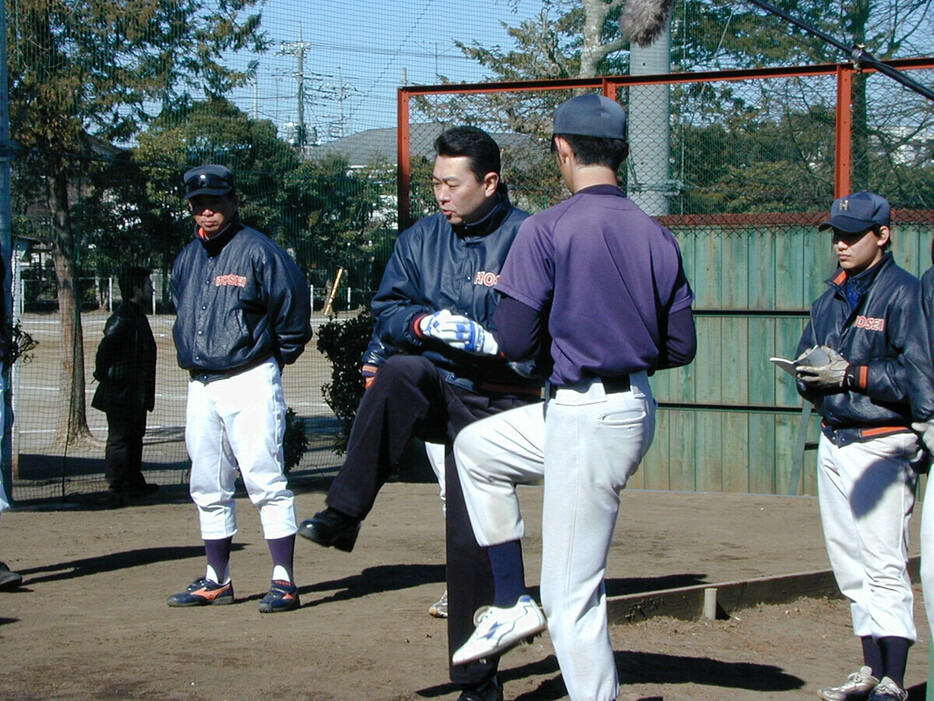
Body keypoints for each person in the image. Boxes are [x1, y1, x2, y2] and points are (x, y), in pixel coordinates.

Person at [450, 94, 697, 701]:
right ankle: (510, 601)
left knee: (570, 595)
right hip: (624, 408)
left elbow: (511, 339)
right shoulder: (655, 235)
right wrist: (619, 337)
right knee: (478, 448)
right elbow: (681, 346)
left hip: (586, 417)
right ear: (623, 153)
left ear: (563, 149)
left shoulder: (547, 226)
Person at [296, 126, 541, 701]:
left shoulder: (530, 237)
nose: (441, 195)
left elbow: (543, 330)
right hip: (436, 386)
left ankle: (478, 682)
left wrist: (499, 344)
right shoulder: (420, 238)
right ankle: (344, 512)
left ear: (489, 182)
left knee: (469, 541)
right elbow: (387, 310)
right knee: (400, 371)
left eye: (452, 184)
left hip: (498, 403)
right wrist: (420, 324)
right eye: (435, 183)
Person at [791, 192, 926, 701]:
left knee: (884, 561)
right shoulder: (831, 297)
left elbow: (918, 376)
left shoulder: (905, 293)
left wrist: (854, 374)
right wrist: (808, 375)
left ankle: (894, 678)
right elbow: (811, 356)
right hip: (835, 437)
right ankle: (870, 669)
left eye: (852, 234)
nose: (841, 244)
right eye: (836, 234)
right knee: (849, 561)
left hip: (882, 441)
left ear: (883, 235)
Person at [167, 164, 312, 614]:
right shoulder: (188, 256)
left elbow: (293, 318)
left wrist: (269, 361)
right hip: (202, 383)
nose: (207, 211)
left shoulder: (259, 251)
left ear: (234, 202)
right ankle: (217, 579)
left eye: (216, 202)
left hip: (250, 377)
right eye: (198, 204)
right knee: (207, 482)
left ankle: (284, 581)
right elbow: (181, 307)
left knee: (265, 478)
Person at [360, 331, 450, 618]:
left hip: (488, 386)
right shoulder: (430, 284)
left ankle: (505, 587)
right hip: (441, 385)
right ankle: (463, 584)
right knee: (453, 493)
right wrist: (375, 358)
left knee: (491, 491)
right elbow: (398, 303)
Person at [91, 266, 157, 506]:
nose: (152, 287)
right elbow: (106, 347)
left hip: (134, 392)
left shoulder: (135, 314)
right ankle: (117, 484)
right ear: (137, 288)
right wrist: (103, 373)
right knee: (120, 438)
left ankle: (132, 480)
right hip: (121, 391)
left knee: (135, 435)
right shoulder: (123, 316)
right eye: (148, 283)